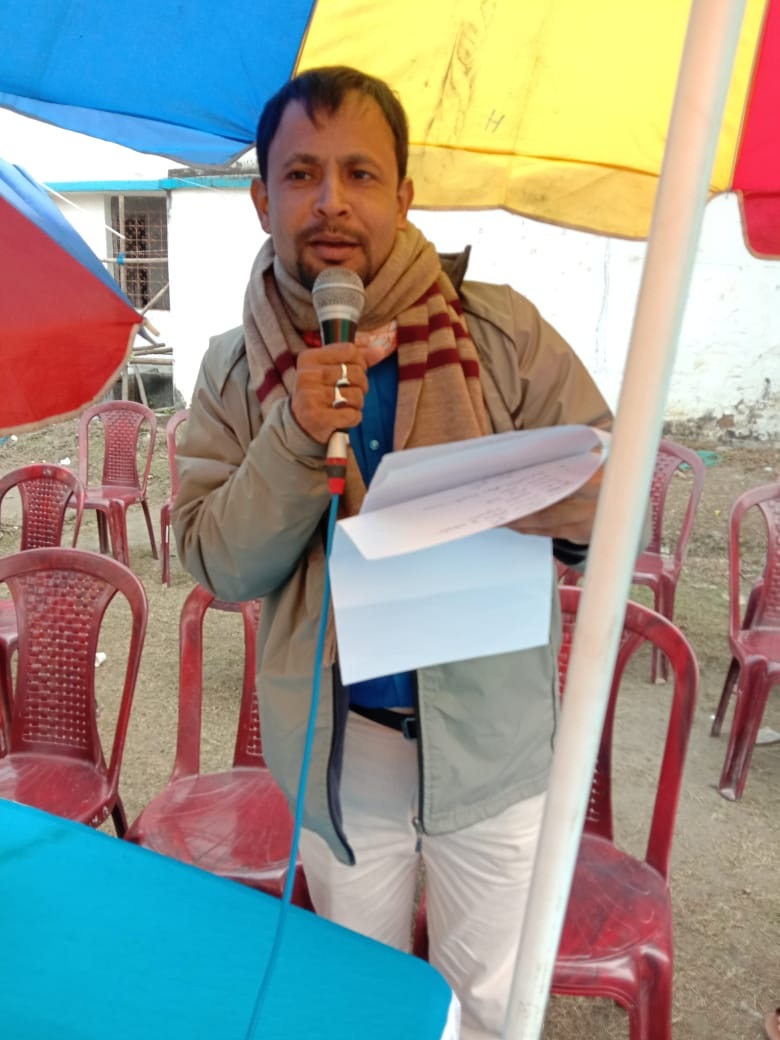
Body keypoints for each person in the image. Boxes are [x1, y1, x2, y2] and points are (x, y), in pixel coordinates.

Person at [172, 65, 613, 1040]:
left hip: (493, 741)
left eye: (360, 173)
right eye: (301, 174)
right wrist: (295, 432)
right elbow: (218, 561)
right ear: (262, 200)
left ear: (404, 195)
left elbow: (604, 497)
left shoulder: (500, 332)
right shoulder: (234, 368)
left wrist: (501, 501)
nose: (331, 200)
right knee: (360, 1007)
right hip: (342, 753)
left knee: (490, 1006)